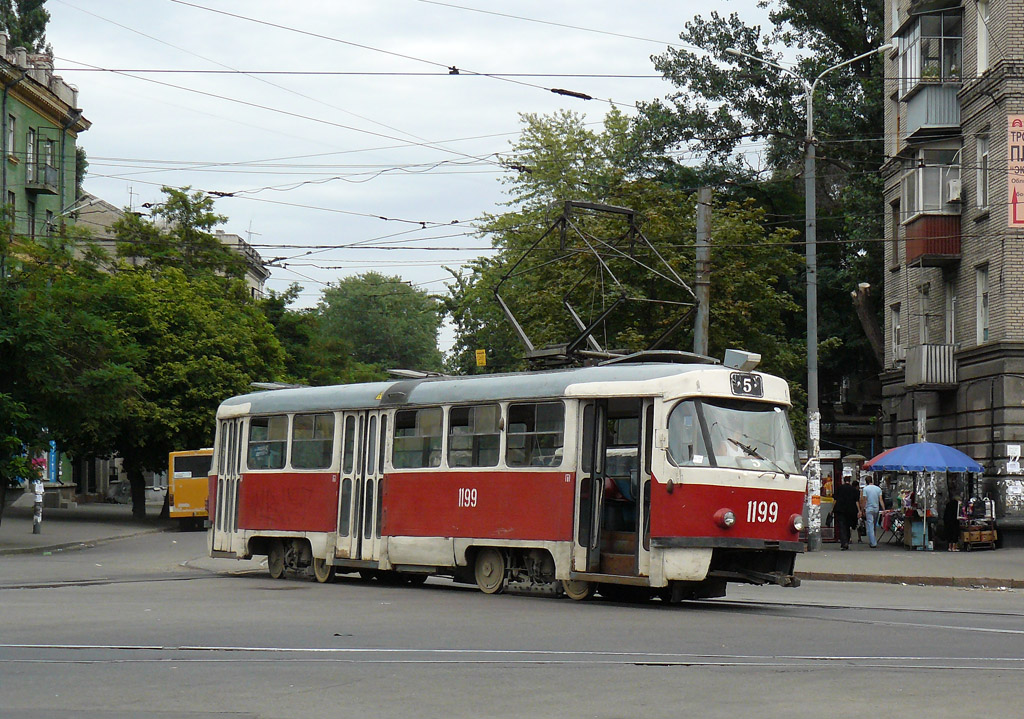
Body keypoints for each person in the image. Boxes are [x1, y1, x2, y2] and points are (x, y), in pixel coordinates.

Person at [832, 477, 861, 551]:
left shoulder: (839, 488)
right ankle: (847, 541)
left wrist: (832, 509)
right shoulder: (854, 490)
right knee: (848, 526)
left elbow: (835, 500)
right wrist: (859, 511)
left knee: (842, 526)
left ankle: (843, 542)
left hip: (840, 510)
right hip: (851, 510)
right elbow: (856, 501)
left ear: (843, 481)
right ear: (850, 481)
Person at [860, 477, 886, 548]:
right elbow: (880, 500)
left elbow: (864, 500)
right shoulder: (878, 489)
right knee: (874, 525)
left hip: (869, 509)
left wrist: (862, 509)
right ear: (872, 480)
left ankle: (873, 542)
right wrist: (884, 509)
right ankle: (873, 539)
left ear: (866, 482)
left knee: (870, 525)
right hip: (876, 509)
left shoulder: (865, 489)